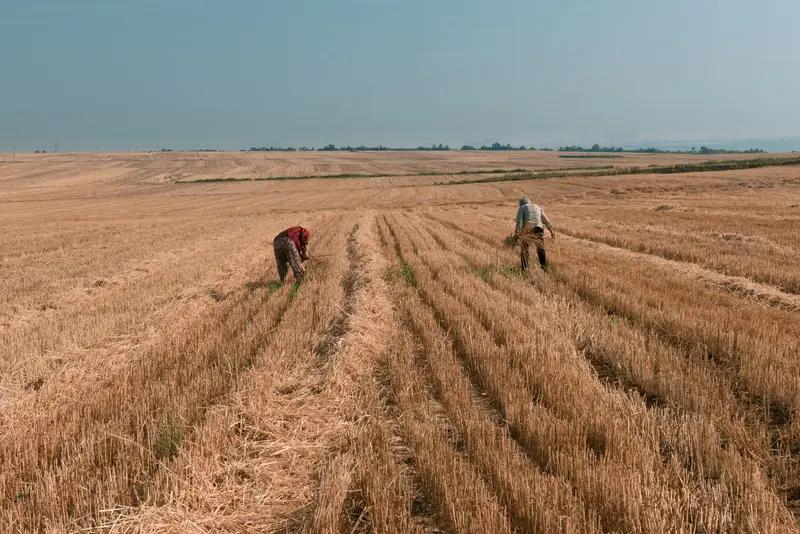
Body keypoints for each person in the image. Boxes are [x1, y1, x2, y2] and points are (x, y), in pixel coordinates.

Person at [514, 196, 555, 271]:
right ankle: (544, 268)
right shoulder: (537, 206)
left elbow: (519, 222)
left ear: (521, 203)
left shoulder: (522, 208)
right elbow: (545, 219)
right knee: (540, 249)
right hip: (539, 229)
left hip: (528, 230)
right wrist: (551, 230)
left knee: (524, 249)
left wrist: (517, 234)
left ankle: (524, 268)